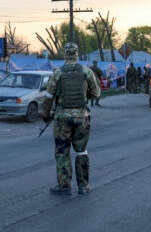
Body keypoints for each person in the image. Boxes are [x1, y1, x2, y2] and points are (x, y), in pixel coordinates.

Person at [41, 42, 100, 195]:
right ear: (77, 54)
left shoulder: (58, 73)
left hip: (62, 118)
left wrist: (45, 115)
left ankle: (64, 186)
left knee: (62, 151)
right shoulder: (87, 72)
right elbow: (96, 93)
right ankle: (83, 186)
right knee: (81, 151)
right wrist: (84, 96)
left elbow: (48, 97)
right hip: (82, 117)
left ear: (65, 54)